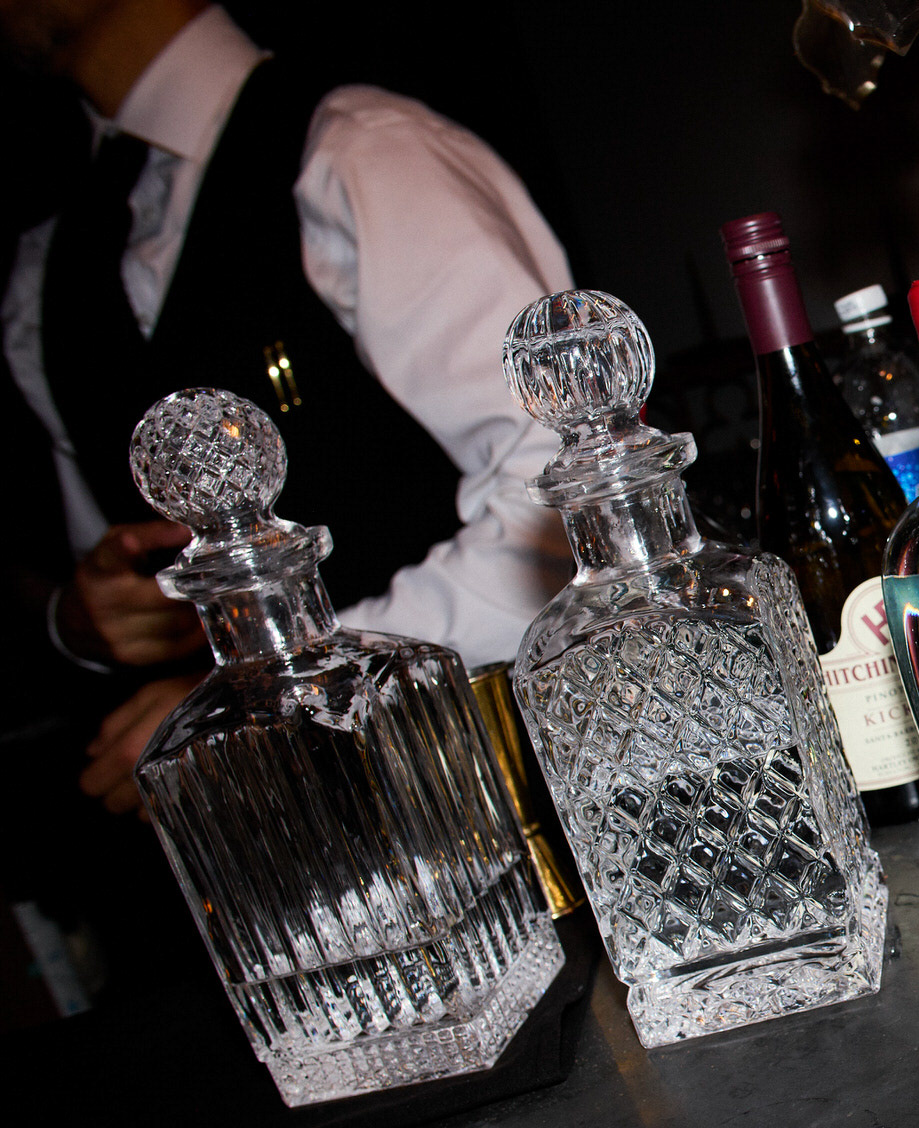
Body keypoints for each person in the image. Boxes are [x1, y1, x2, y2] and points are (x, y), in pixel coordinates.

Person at [0, 0, 575, 817]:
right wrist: (82, 622)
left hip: (491, 803)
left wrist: (274, 703)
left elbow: (561, 504)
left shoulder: (359, 151)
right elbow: (107, 561)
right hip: (259, 852)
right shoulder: (45, 275)